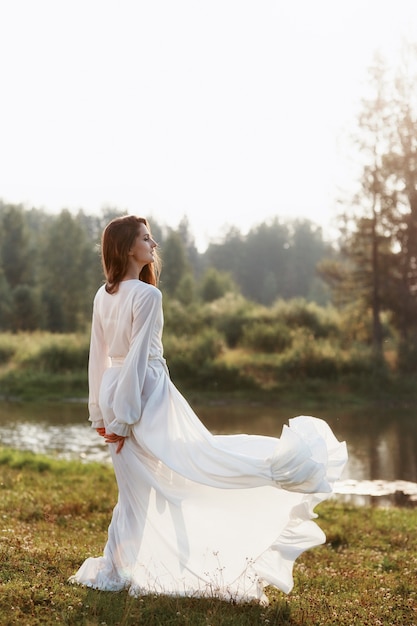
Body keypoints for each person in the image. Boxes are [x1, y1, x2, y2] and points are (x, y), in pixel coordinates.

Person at [69, 214, 347, 605]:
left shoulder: (108, 294)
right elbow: (129, 358)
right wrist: (114, 418)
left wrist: (103, 410)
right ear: (126, 247)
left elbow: (100, 361)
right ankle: (118, 568)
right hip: (142, 393)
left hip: (124, 393)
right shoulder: (145, 296)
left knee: (164, 475)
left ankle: (119, 568)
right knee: (147, 483)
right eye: (145, 239)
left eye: (152, 239)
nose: (153, 245)